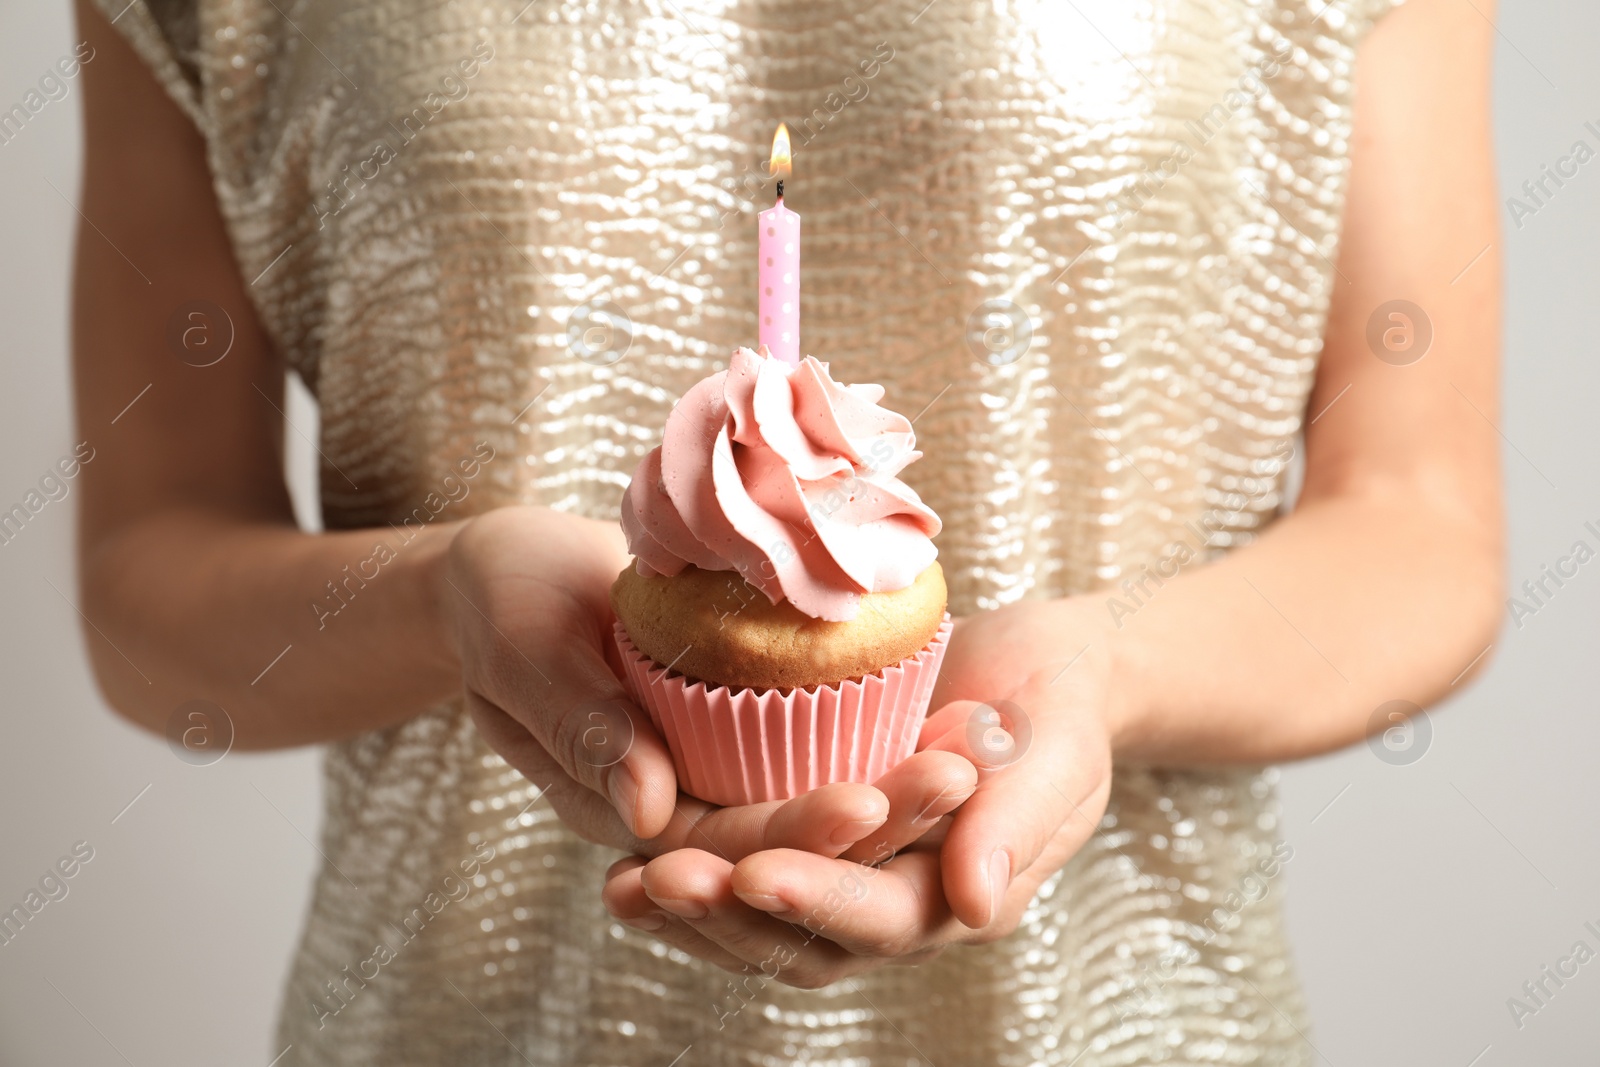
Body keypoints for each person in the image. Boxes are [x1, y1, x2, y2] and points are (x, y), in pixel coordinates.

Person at [71, 0, 1502, 1062]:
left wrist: (1108, 670)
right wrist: (445, 595)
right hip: (466, 1021)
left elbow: (1423, 523)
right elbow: (150, 586)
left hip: (1128, 1024)